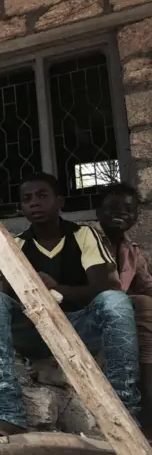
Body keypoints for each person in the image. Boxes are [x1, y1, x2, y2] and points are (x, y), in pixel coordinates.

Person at [0, 172, 141, 446]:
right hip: (34, 333)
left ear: (59, 201)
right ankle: (10, 414)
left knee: (116, 302)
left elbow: (104, 286)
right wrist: (29, 286)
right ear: (21, 209)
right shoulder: (18, 244)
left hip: (78, 327)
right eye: (27, 199)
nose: (34, 203)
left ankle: (125, 414)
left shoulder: (84, 235)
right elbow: (10, 296)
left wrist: (56, 288)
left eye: (41, 196)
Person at [97, 183, 152, 436]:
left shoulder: (132, 250)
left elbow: (146, 284)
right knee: (142, 306)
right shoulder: (84, 239)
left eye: (128, 210)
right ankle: (146, 406)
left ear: (136, 217)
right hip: (89, 312)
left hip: (119, 315)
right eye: (113, 207)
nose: (120, 214)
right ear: (99, 211)